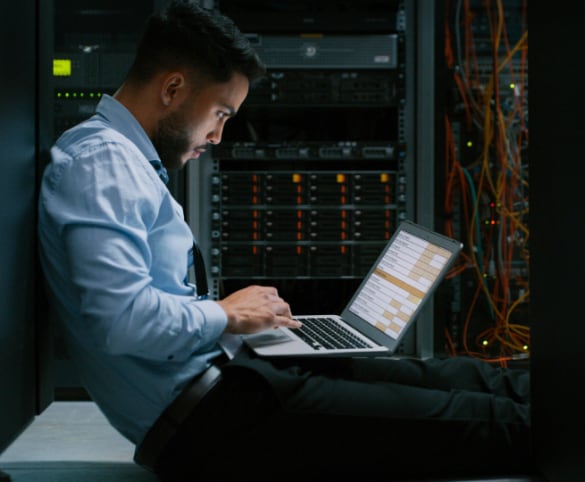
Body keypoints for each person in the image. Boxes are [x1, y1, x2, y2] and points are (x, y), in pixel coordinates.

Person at [38, 1, 532, 481]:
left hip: (228, 384)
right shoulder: (103, 165)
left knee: (457, 379)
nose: (217, 137)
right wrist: (229, 314)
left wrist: (246, 325)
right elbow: (122, 322)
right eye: (220, 113)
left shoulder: (116, 159)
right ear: (172, 88)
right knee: (484, 421)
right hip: (208, 421)